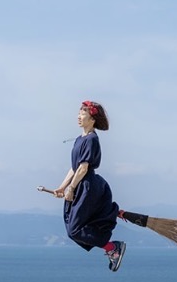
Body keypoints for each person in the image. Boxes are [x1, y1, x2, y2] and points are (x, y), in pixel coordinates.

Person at [53, 101, 126, 272]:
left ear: (92, 119)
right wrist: (62, 187)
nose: (78, 116)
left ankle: (112, 247)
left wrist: (71, 188)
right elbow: (74, 167)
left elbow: (83, 168)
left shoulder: (92, 139)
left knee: (74, 229)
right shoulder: (79, 139)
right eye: (78, 113)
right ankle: (111, 248)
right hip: (79, 184)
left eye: (82, 113)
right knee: (72, 227)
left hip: (86, 186)